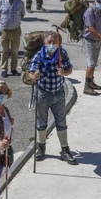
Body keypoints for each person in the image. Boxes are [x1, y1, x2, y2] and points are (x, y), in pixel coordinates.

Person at [29, 31, 77, 164]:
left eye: (54, 42)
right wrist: (35, 75)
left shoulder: (62, 53)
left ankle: (65, 149)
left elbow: (69, 69)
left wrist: (64, 72)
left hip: (59, 94)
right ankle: (41, 147)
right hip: (43, 94)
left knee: (61, 122)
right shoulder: (39, 55)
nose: (51, 44)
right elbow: (31, 73)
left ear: (57, 43)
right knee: (41, 122)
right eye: (49, 42)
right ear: (44, 43)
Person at [0, 0, 26, 77]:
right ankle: (4, 69)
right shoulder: (0, 2)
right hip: (4, 31)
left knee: (15, 51)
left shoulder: (20, 3)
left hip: (15, 31)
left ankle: (14, 69)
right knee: (4, 51)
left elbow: (22, 14)